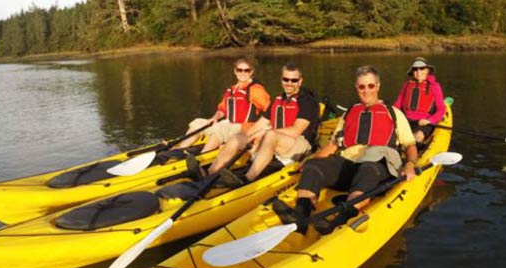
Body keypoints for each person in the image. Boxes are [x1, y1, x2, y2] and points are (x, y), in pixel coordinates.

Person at [290, 65, 419, 235]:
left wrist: (410, 164)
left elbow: (410, 145)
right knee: (313, 166)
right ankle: (301, 218)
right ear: (356, 88)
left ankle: (340, 221)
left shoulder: (393, 113)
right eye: (362, 86)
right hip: (348, 164)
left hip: (377, 164)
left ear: (378, 86)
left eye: (370, 86)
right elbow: (333, 145)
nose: (366, 91)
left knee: (368, 169)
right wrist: (309, 160)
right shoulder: (350, 113)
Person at [188, 63, 320, 187]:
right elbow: (260, 124)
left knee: (270, 134)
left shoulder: (307, 102)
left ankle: (246, 179)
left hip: (299, 145)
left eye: (294, 80)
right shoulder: (278, 100)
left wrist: (263, 133)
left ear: (300, 81)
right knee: (237, 138)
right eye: (286, 79)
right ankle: (210, 172)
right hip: (276, 140)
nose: (289, 83)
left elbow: (296, 130)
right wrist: (246, 137)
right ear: (282, 80)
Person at [175, 58, 271, 153]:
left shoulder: (256, 90)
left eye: (246, 70)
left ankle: (203, 156)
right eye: (239, 70)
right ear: (235, 71)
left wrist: (264, 130)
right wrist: (214, 117)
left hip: (244, 128)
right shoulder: (232, 90)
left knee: (221, 129)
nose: (243, 73)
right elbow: (222, 109)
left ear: (251, 72)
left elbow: (270, 111)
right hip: (229, 123)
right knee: (198, 123)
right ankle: (177, 151)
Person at [392, 57, 446, 143]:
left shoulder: (434, 86)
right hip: (407, 120)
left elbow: (441, 109)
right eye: (415, 70)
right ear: (412, 72)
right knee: (394, 136)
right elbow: (397, 105)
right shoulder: (407, 85)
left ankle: (414, 150)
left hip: (424, 122)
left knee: (418, 135)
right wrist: (387, 111)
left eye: (422, 69)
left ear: (427, 70)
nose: (419, 72)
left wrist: (430, 120)